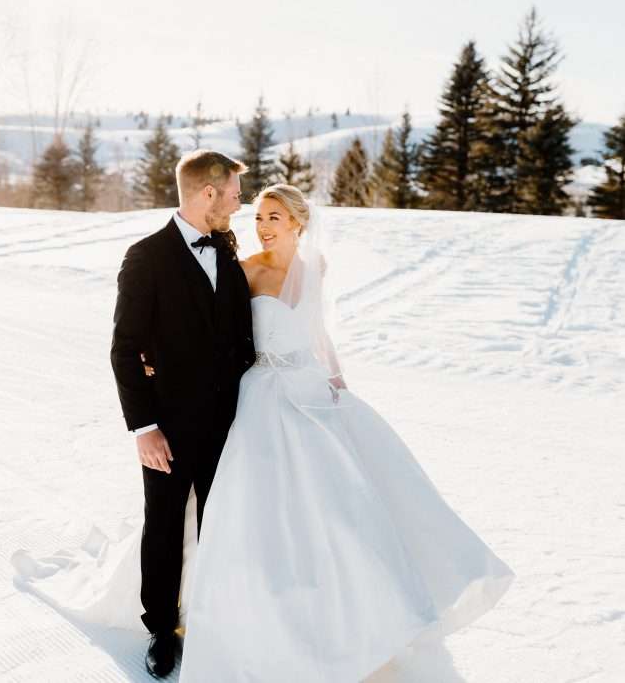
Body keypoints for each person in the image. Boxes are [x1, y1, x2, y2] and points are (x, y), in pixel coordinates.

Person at [177, 183, 515, 682]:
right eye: (259, 218)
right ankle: (260, 615)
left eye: (273, 217)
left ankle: (366, 614)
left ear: (297, 222)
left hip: (311, 384)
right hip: (264, 392)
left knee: (348, 502)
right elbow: (218, 334)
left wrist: (334, 373)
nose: (264, 226)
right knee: (265, 503)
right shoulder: (245, 271)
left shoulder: (317, 268)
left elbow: (316, 328)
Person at [109, 149, 255, 677]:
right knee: (165, 526)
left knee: (222, 524)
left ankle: (220, 619)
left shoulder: (227, 253)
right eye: (235, 194)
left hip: (231, 425)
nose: (240, 204)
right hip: (167, 428)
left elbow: (242, 341)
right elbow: (125, 349)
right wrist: (144, 428)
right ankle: (162, 630)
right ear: (208, 193)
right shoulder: (146, 257)